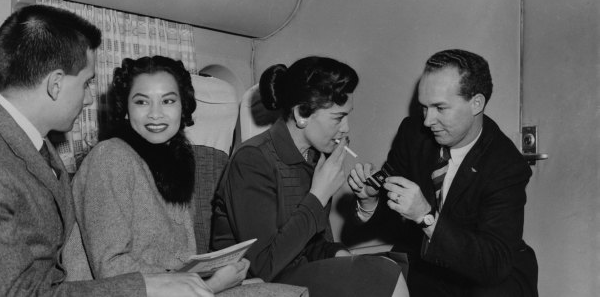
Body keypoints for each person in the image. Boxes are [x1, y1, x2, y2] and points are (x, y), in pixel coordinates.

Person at [0, 5, 220, 297]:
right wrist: (159, 284)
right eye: (87, 83)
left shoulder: (38, 148)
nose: (90, 97)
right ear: (56, 84)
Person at [212, 56, 409, 297]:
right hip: (254, 283)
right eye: (338, 118)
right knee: (382, 275)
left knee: (387, 266)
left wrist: (338, 254)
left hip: (295, 274)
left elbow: (311, 244)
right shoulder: (252, 160)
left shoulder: (314, 158)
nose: (346, 128)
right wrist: (318, 195)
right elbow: (264, 266)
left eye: (348, 116)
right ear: (302, 114)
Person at [348, 49, 539, 297]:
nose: (428, 121)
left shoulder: (506, 165)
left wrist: (425, 216)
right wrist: (369, 200)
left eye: (440, 107)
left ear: (476, 104)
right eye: (424, 107)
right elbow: (392, 203)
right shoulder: (412, 133)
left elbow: (494, 263)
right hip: (429, 269)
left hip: (487, 278)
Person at [64, 56, 251, 295]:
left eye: (168, 101)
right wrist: (208, 285)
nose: (155, 114)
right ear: (125, 110)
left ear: (182, 106)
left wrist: (215, 271)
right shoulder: (110, 157)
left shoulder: (177, 161)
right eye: (142, 102)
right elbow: (111, 269)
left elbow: (177, 261)